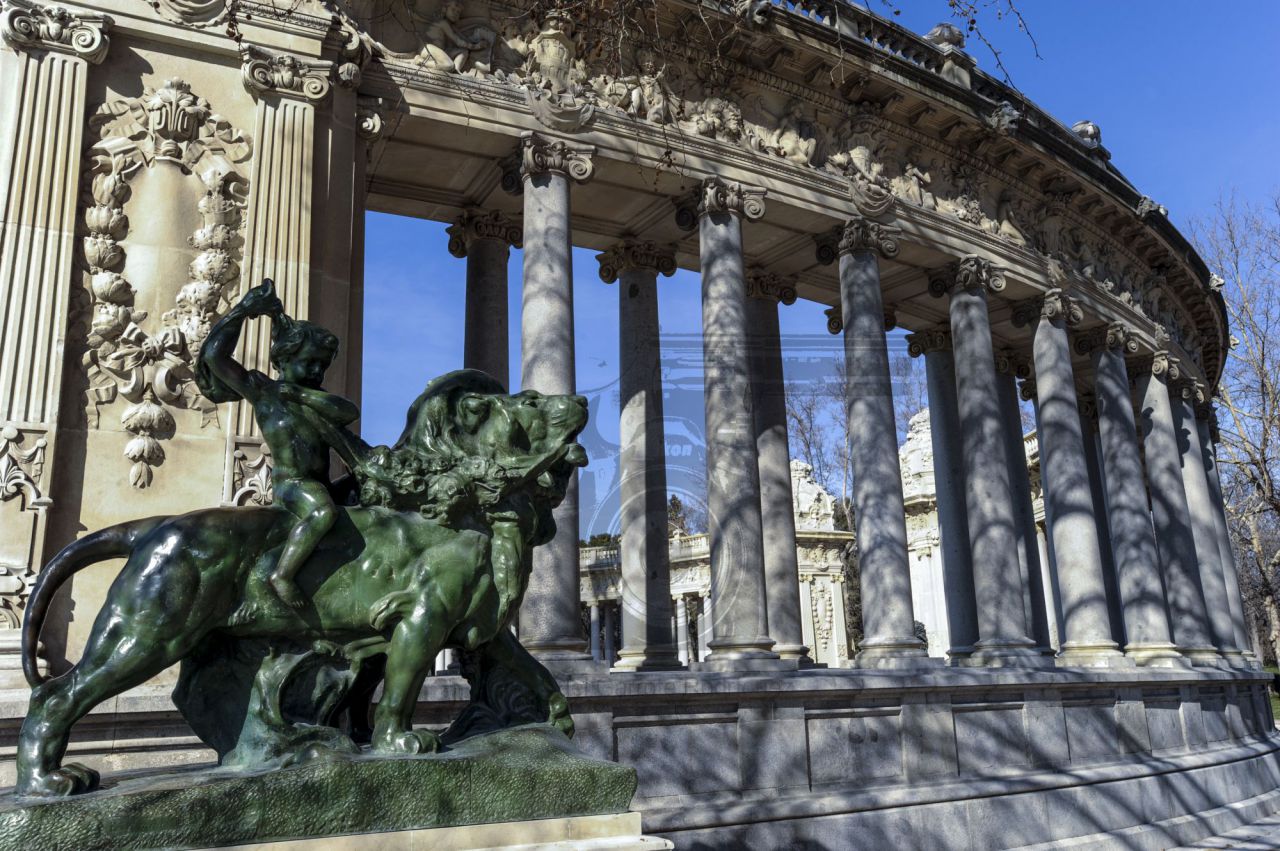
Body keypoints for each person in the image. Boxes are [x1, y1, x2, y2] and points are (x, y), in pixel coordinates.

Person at [196, 279, 360, 608]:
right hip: (293, 484)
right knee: (323, 512)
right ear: (284, 360)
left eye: (322, 366)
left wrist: (297, 392)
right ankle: (282, 575)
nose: (317, 371)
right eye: (309, 362)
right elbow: (215, 357)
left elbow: (348, 411)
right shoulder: (263, 392)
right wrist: (242, 312)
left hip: (322, 482)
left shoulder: (314, 399)